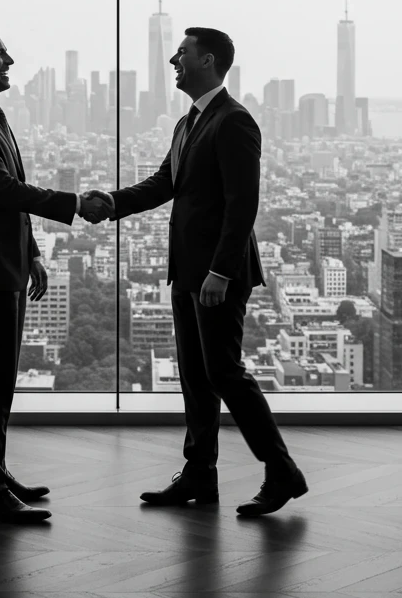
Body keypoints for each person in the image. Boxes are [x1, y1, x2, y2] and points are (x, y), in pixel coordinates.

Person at [84, 27, 307, 516]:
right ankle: (199, 474)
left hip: (215, 276)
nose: (173, 61)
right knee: (194, 376)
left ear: (207, 60)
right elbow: (166, 182)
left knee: (225, 372)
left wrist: (223, 272)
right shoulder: (189, 123)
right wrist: (113, 202)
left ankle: (282, 470)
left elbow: (242, 203)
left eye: (181, 53)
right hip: (187, 271)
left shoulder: (234, 121)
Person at [0, 22, 107, 524]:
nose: (9, 61)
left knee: (1, 380)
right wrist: (76, 203)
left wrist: (31, 249)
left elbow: (12, 189)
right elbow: (4, 191)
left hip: (5, 262)